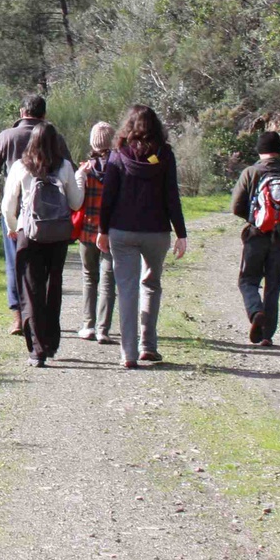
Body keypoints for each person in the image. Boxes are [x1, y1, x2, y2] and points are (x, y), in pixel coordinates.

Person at [95, 105, 187, 368]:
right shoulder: (165, 155)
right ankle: (148, 345)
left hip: (122, 232)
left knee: (126, 290)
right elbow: (172, 196)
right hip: (157, 232)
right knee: (151, 285)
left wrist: (102, 230)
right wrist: (181, 233)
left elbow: (108, 198)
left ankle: (128, 354)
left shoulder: (117, 156)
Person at [0, 95, 72, 335]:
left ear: (22, 112)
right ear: (44, 115)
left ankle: (18, 317)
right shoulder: (55, 138)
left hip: (16, 211)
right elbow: (68, 168)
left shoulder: (7, 137)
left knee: (16, 263)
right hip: (49, 213)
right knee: (47, 266)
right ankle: (40, 316)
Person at [0, 122, 83, 366]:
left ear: (32, 142)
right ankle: (51, 342)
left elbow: (8, 205)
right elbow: (76, 204)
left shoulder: (20, 167)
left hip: (29, 235)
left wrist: (14, 228)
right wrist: (80, 179)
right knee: (52, 287)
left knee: (31, 291)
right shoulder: (65, 166)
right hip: (57, 236)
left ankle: (37, 350)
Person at [230, 131, 280, 346]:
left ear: (260, 151)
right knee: (273, 285)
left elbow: (236, 206)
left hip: (256, 236)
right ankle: (267, 335)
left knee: (247, 280)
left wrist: (256, 218)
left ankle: (256, 311)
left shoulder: (250, 172)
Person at [74, 121, 116, 343]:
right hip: (111, 232)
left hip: (88, 231)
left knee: (90, 277)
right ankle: (103, 329)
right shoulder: (120, 167)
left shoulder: (85, 169)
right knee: (109, 281)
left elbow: (76, 200)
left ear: (93, 142)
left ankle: (88, 326)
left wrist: (79, 176)